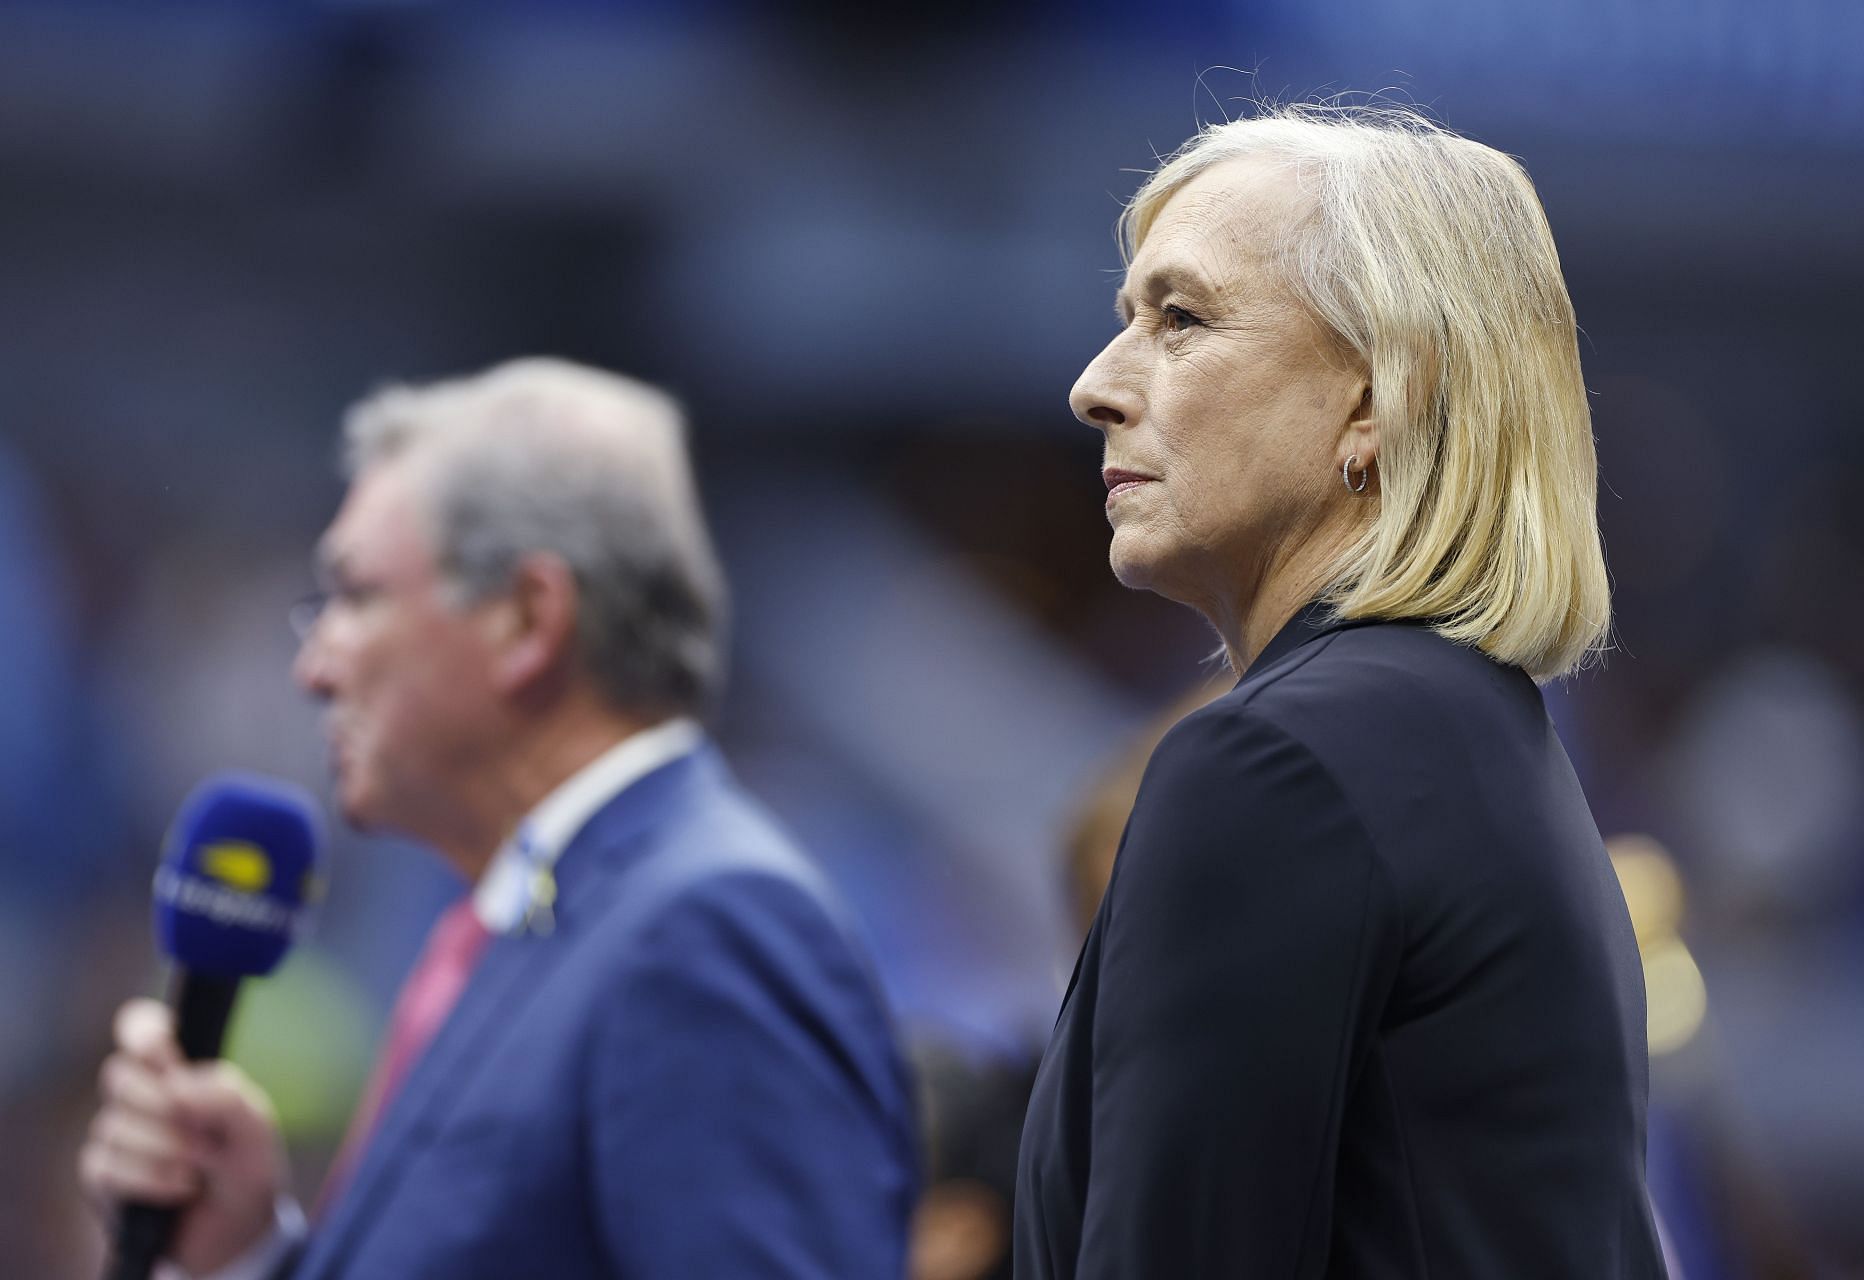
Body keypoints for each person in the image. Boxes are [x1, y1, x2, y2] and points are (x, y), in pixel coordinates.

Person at [79, 358, 919, 1278]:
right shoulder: (544, 917)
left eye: (356, 596)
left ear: (527, 619)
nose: (313, 668)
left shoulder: (706, 929)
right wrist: (251, 1256)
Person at [1013, 103, 1667, 1278]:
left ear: (1375, 395)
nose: (1094, 386)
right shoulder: (1469, 734)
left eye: (1180, 317)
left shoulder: (1282, 766)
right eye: (1126, 319)